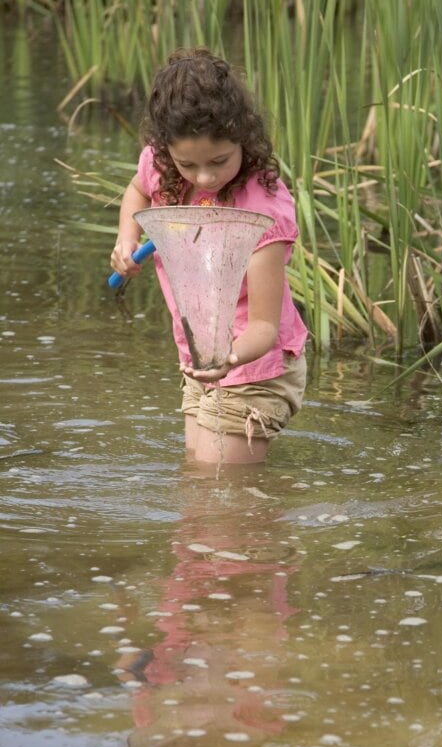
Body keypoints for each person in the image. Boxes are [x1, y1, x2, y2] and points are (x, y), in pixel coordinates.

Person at [110, 48, 308, 465]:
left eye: (219, 161)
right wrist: (127, 239)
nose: (205, 177)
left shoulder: (262, 212)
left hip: (257, 366)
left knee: (218, 492)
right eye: (189, 165)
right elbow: (137, 190)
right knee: (198, 482)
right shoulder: (162, 165)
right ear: (167, 150)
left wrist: (228, 359)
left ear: (243, 138)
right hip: (200, 358)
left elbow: (264, 326)